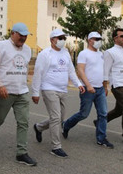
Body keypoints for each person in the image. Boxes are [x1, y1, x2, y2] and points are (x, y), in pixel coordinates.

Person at [0, 22, 37, 166]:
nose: (23, 38)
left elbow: (23, 68)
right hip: (4, 91)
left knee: (23, 122)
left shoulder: (28, 50)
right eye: (20, 35)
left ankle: (21, 153)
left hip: (22, 91)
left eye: (25, 36)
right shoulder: (0, 46)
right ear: (13, 33)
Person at [32, 29, 85, 158]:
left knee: (60, 118)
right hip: (49, 88)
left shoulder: (65, 53)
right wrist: (35, 92)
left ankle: (39, 127)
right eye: (59, 38)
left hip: (63, 89)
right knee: (56, 117)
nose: (62, 40)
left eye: (63, 38)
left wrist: (78, 84)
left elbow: (71, 71)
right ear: (52, 40)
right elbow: (38, 73)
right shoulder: (45, 54)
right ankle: (56, 147)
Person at [62, 32, 114, 148]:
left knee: (103, 114)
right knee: (84, 114)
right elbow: (80, 70)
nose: (99, 41)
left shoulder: (101, 54)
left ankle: (101, 138)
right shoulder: (83, 53)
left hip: (100, 89)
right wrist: (88, 85)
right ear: (90, 40)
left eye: (100, 39)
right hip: (87, 89)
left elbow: (104, 71)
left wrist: (105, 87)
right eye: (97, 39)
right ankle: (66, 125)